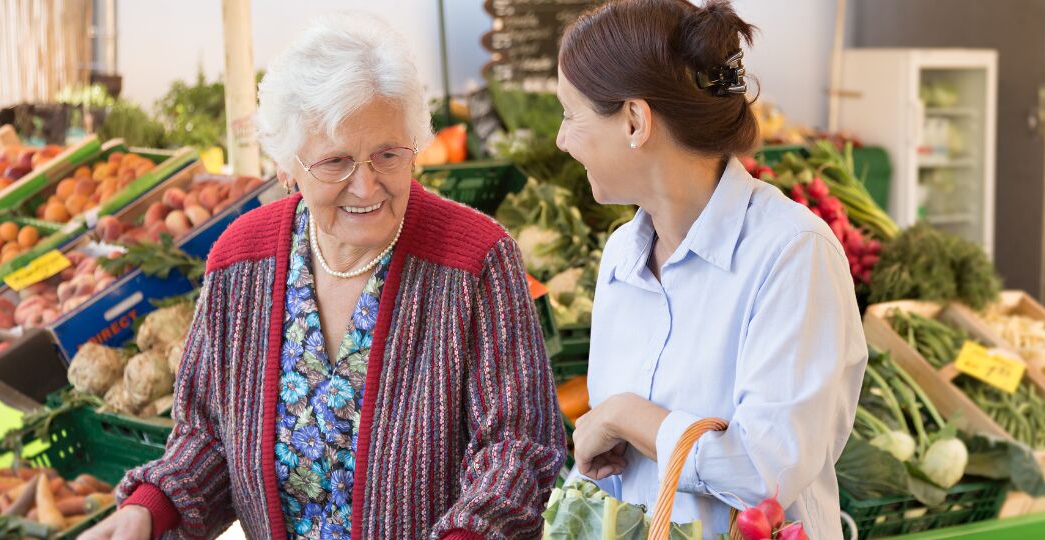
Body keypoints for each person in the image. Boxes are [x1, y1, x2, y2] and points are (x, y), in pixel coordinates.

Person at [81, 13, 564, 540]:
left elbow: (518, 446)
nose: (367, 185)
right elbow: (207, 436)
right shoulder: (243, 261)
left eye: (388, 155)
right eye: (335, 161)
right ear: (288, 166)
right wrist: (149, 507)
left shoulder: (476, 261)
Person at [556, 1, 868, 538]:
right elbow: (618, 478)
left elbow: (766, 470)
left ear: (635, 120)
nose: (561, 140)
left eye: (570, 114)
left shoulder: (793, 252)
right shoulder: (620, 259)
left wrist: (624, 415)